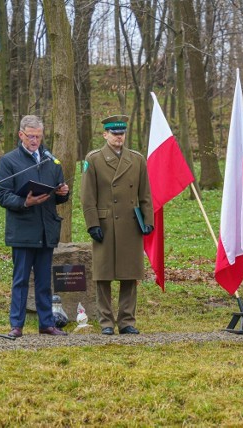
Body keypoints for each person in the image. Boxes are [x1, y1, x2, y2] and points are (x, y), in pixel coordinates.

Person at [0, 115, 70, 337]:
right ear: (21, 135)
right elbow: (1, 195)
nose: (35, 141)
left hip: (46, 230)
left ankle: (46, 323)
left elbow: (57, 195)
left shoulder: (51, 160)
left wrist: (63, 194)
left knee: (44, 280)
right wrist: (24, 202)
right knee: (20, 280)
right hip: (22, 230)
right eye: (30, 136)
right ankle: (16, 325)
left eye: (38, 136)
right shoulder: (9, 162)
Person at [81, 115, 154, 335]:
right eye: (114, 134)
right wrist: (92, 223)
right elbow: (87, 196)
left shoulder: (137, 159)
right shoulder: (93, 159)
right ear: (105, 135)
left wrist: (148, 220)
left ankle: (126, 321)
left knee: (129, 274)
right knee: (103, 275)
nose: (118, 137)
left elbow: (146, 195)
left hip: (130, 224)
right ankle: (105, 322)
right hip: (105, 224)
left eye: (121, 133)